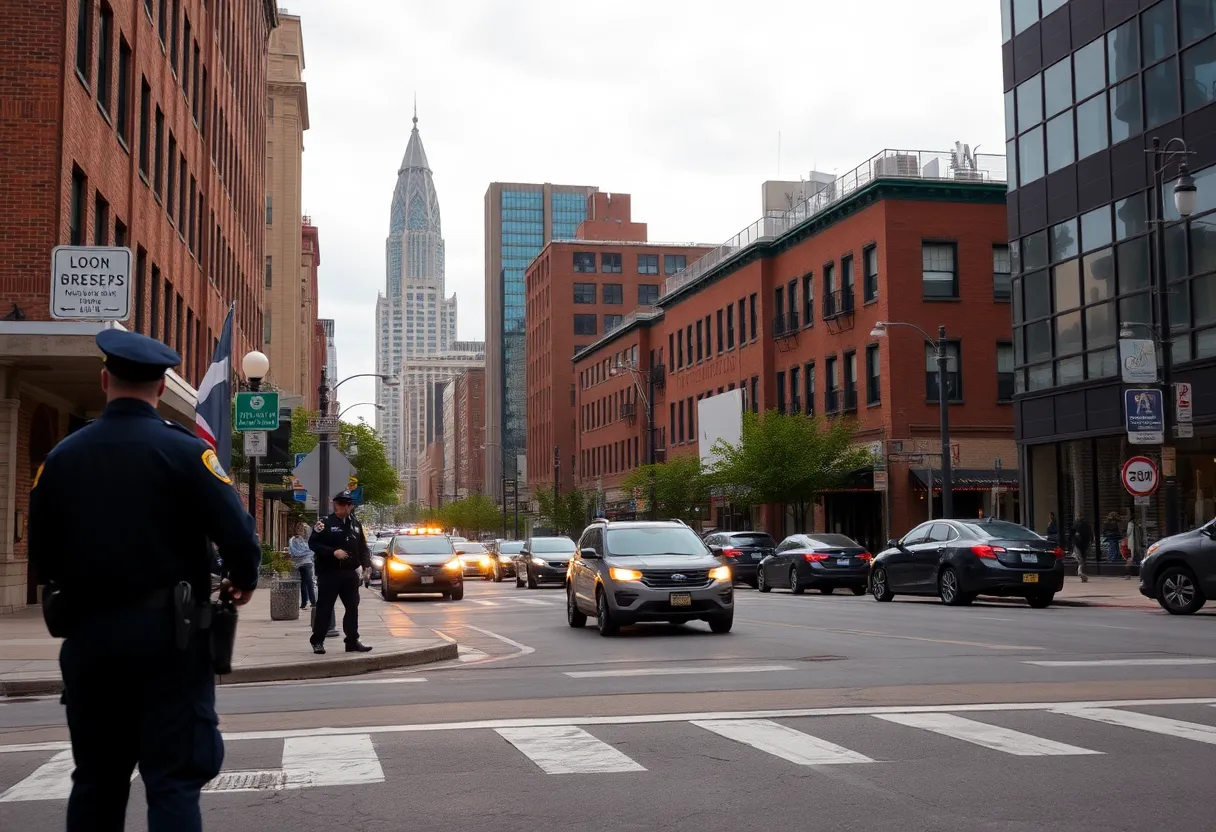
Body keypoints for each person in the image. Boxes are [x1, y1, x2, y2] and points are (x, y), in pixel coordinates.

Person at [28, 329, 260, 832]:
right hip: (170, 643)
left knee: (96, 779)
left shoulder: (62, 458)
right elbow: (238, 534)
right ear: (160, 388)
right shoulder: (185, 453)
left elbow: (41, 553)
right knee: (172, 780)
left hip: (91, 640)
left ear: (104, 378)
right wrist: (242, 580)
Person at [309, 491, 373, 654]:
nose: (340, 507)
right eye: (338, 503)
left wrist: (366, 565)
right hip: (329, 572)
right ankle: (318, 641)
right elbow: (313, 544)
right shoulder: (325, 523)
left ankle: (352, 640)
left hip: (349, 574)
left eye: (344, 504)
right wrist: (333, 552)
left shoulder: (356, 525)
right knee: (325, 608)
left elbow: (362, 547)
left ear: (350, 506)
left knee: (352, 608)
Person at [288, 522, 316, 609]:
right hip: (306, 563)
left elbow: (293, 553)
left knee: (304, 582)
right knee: (308, 582)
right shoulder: (301, 540)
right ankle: (312, 601)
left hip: (301, 563)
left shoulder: (293, 540)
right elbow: (310, 550)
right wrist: (305, 553)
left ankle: (305, 602)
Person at [1071, 511, 1092, 583]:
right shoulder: (1087, 525)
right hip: (1084, 544)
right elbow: (1090, 535)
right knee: (1083, 559)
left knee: (1080, 560)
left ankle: (1080, 571)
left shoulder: (1075, 525)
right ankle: (1081, 572)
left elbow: (1071, 535)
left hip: (1077, 544)